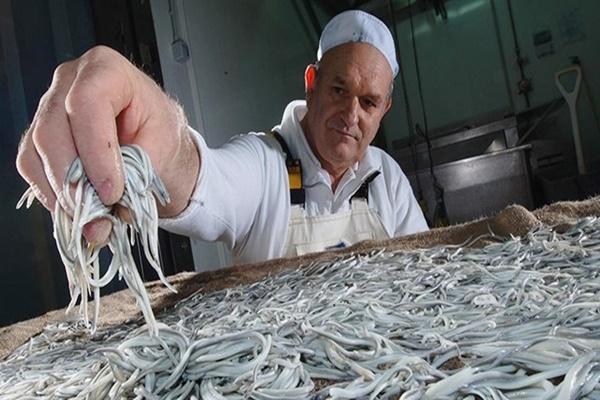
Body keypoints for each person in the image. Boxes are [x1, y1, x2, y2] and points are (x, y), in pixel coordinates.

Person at [16, 10, 428, 265]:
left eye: (369, 103)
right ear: (312, 83)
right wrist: (165, 144)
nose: (351, 116)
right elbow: (204, 181)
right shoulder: (265, 165)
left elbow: (424, 272)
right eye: (339, 90)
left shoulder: (387, 178)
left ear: (384, 110)